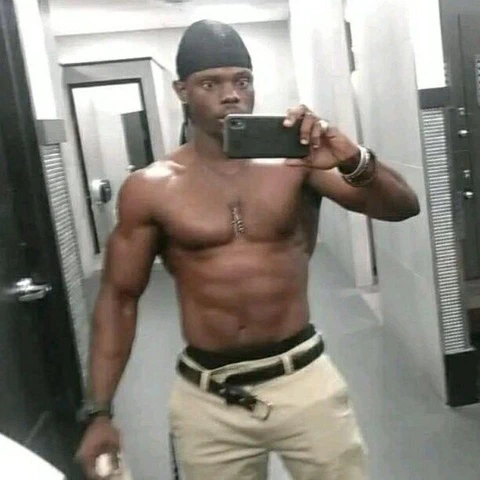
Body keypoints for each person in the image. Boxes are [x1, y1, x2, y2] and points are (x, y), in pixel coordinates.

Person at [76, 19, 420, 480]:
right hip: (208, 398)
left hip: (304, 380)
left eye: (242, 81)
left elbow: (403, 207)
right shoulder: (150, 188)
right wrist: (99, 412)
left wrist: (353, 159)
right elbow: (119, 299)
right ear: (181, 90)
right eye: (210, 83)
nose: (231, 95)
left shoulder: (296, 163)